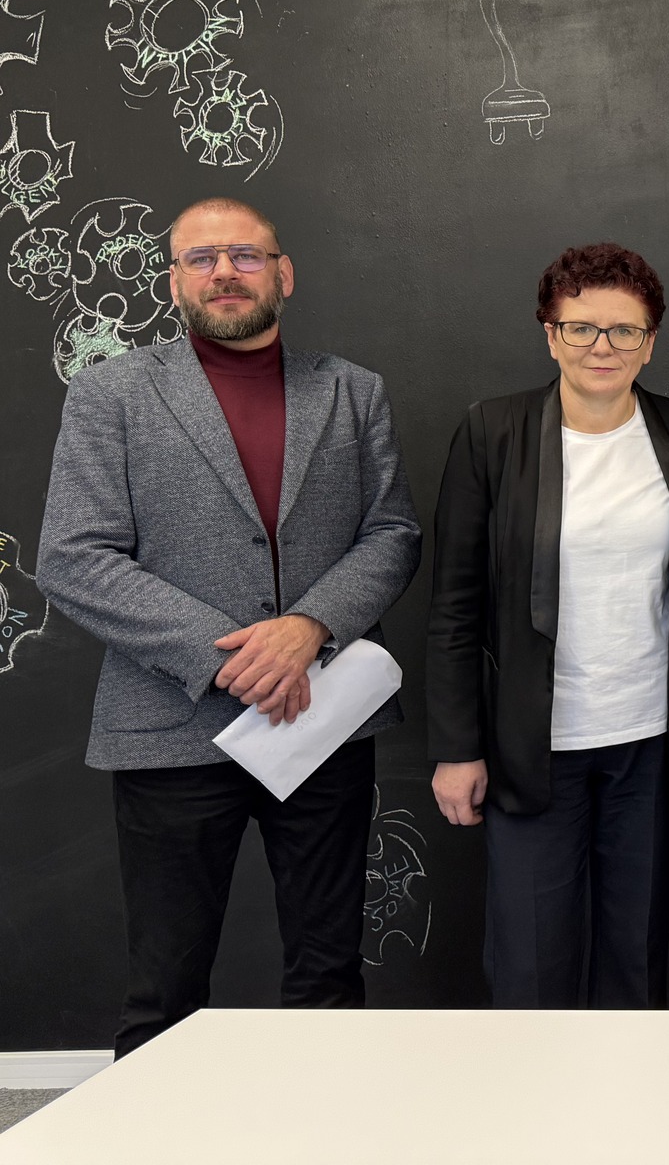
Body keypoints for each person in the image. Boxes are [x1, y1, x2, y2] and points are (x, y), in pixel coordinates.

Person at [37, 197, 420, 1056]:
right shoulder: (110, 394)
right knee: (165, 989)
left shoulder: (352, 391)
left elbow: (393, 533)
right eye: (201, 259)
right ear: (175, 281)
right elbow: (73, 556)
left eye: (246, 256)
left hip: (321, 722)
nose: (224, 273)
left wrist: (309, 626)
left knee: (329, 978)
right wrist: (227, 655)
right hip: (168, 729)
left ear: (284, 274)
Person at [425, 244, 669, 1007]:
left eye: (624, 330)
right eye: (581, 328)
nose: (601, 347)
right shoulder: (493, 433)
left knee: (637, 959)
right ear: (550, 335)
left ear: (651, 342)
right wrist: (456, 748)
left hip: (652, 745)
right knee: (531, 968)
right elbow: (453, 605)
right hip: (531, 750)